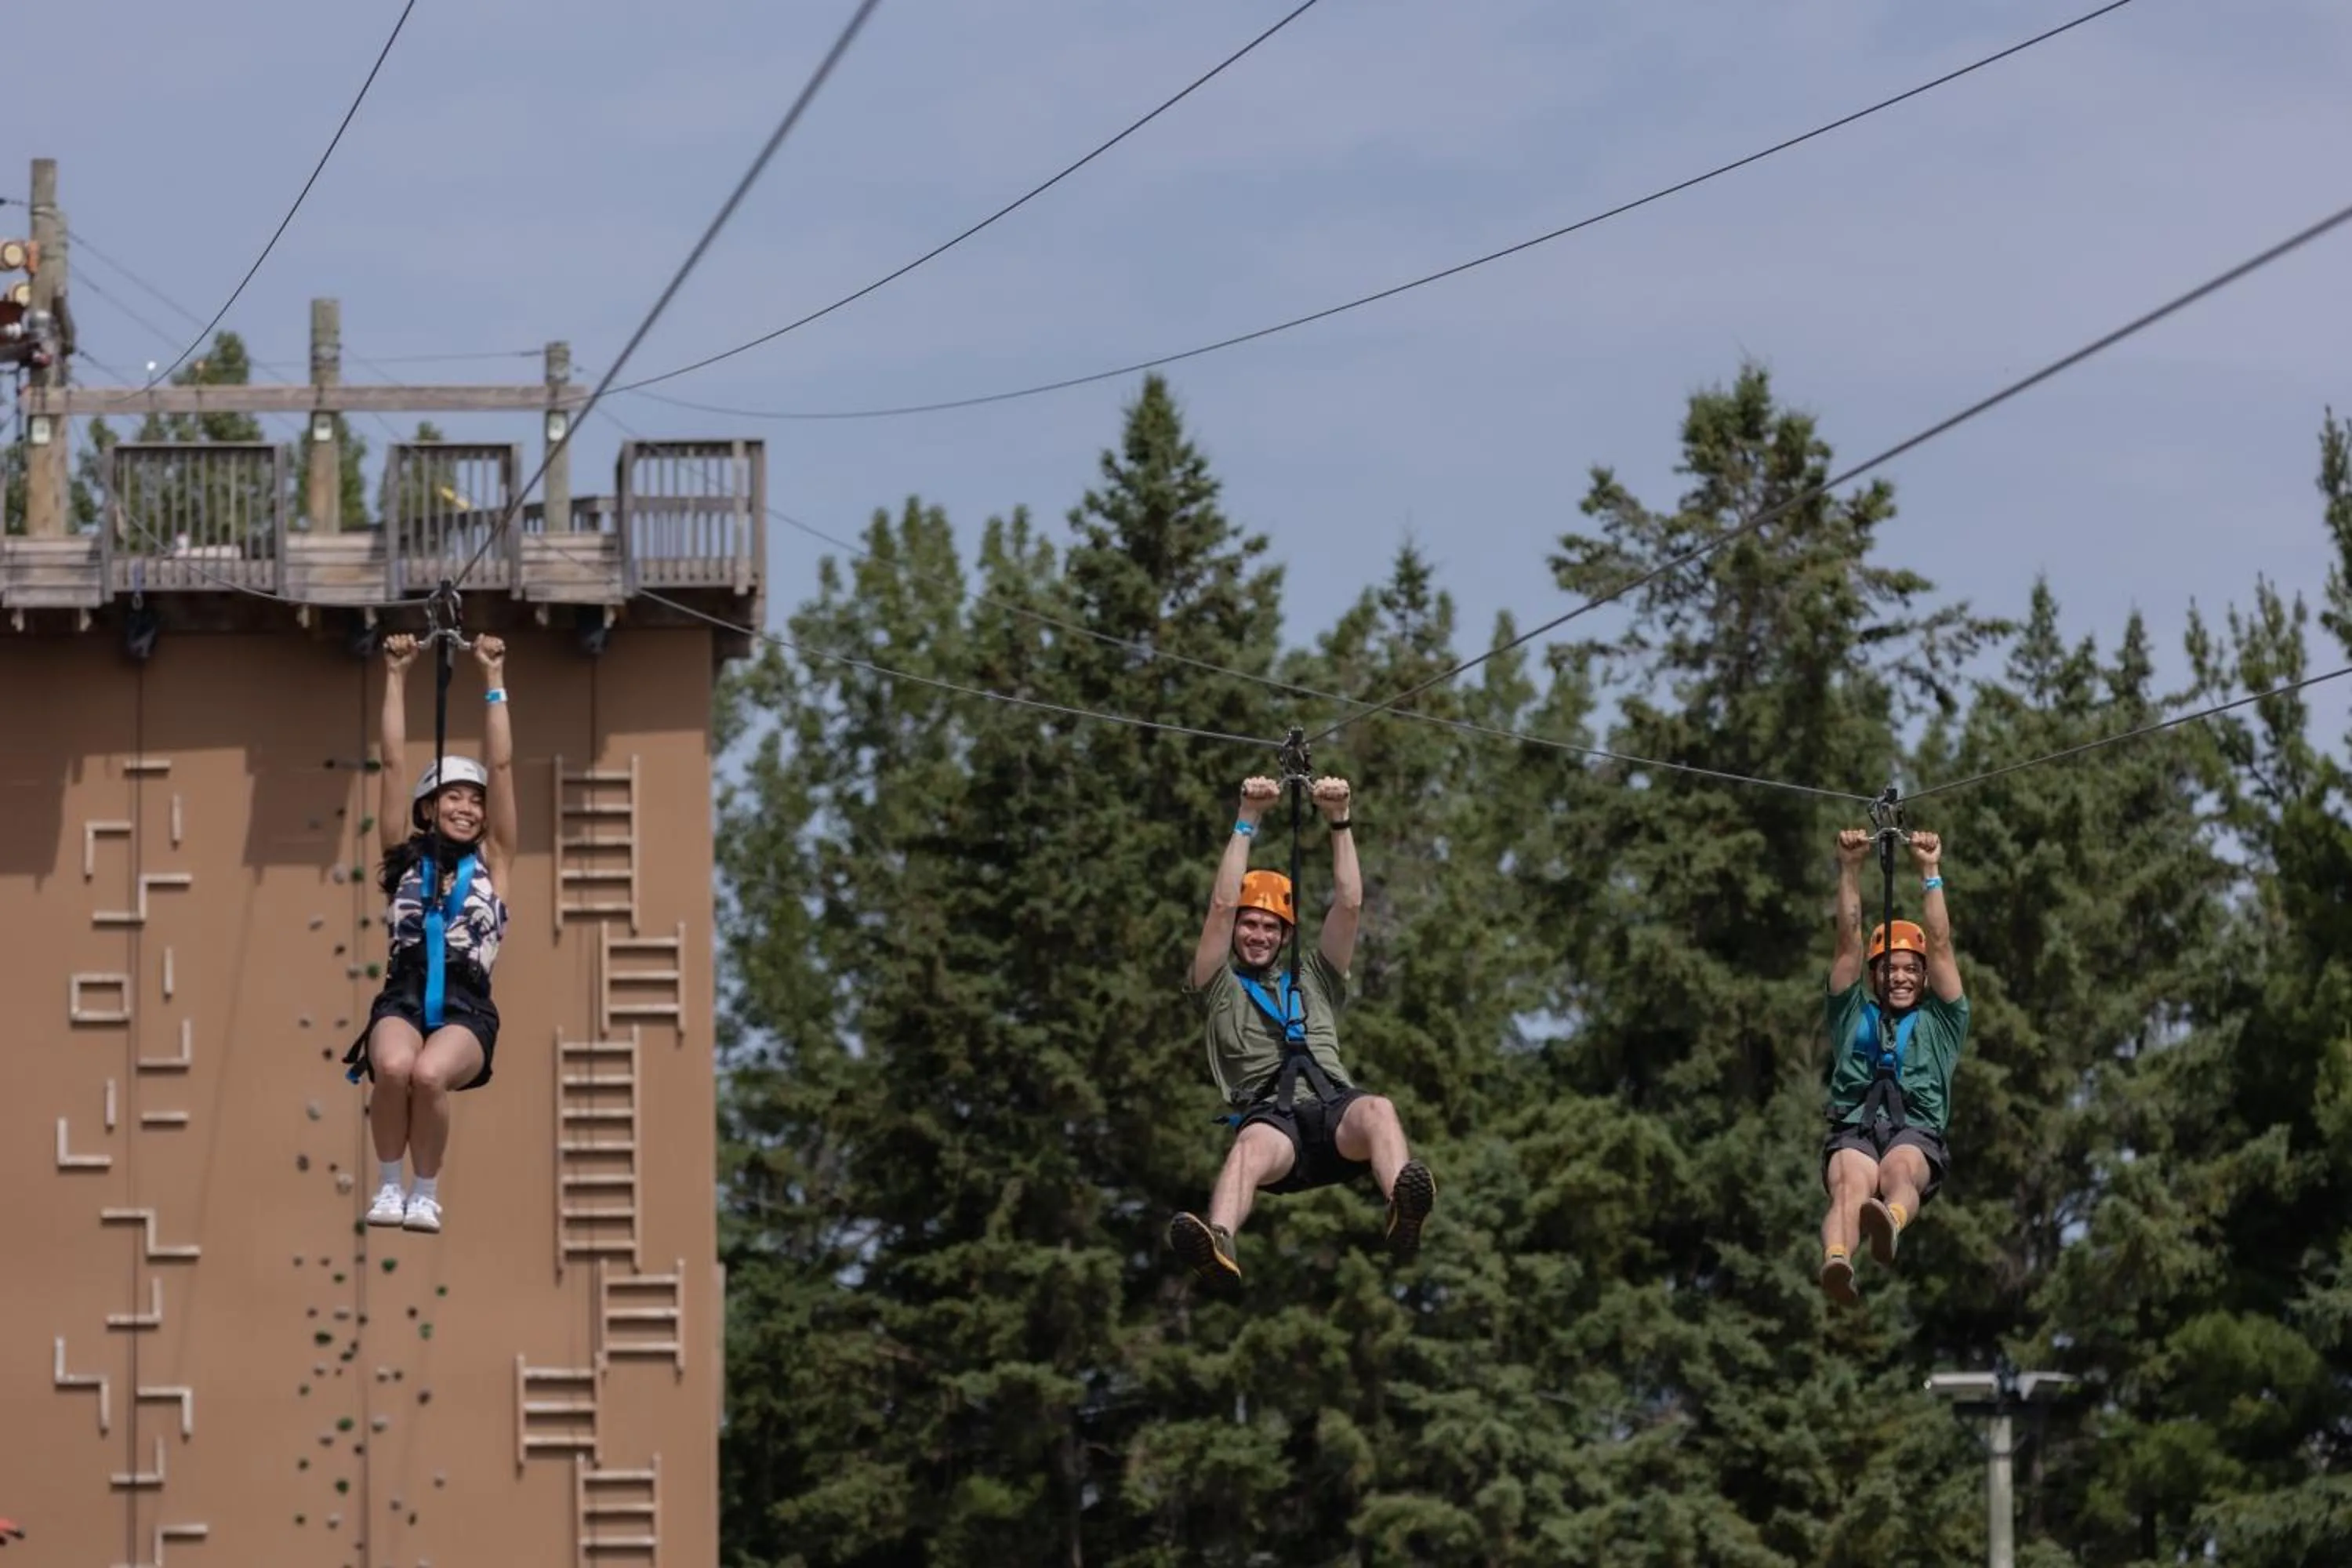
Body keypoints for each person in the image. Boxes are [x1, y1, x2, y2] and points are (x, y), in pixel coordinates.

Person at [1167, 774, 1436, 1290]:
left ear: (1286, 935)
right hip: (1276, 1122)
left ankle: (1402, 1207)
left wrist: (1339, 820)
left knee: (1379, 1108)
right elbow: (1221, 907)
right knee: (1247, 1148)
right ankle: (1219, 1244)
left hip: (1335, 1114)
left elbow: (1350, 904)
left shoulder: (1314, 976)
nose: (1258, 935)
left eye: (1271, 928)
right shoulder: (1216, 984)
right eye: (1251, 925)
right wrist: (1249, 817)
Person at [341, 630, 517, 1235]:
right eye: (451, 798)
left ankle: (426, 1191)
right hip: (405, 993)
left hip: (468, 1005)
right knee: (391, 1067)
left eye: (474, 801)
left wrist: (492, 680)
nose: (466, 808)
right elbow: (391, 764)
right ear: (425, 809)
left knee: (427, 1075)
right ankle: (390, 1187)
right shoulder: (403, 860)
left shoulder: (495, 862)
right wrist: (396, 674)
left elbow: (502, 765)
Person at [1819, 826, 1966, 1303]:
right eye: (1888, 968)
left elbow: (1941, 944)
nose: (1899, 977)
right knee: (1849, 1188)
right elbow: (1848, 941)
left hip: (1916, 1129)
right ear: (1874, 974)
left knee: (1901, 1173)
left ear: (1924, 977)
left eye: (1910, 969)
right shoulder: (1850, 1010)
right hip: (1855, 1126)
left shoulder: (1943, 1021)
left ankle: (1891, 1221)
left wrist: (1930, 872)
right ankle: (1837, 1260)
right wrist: (1850, 867)